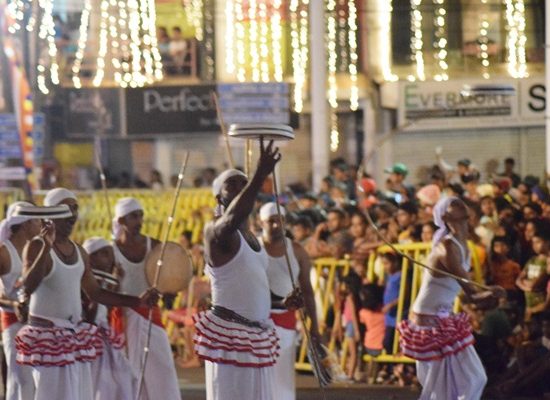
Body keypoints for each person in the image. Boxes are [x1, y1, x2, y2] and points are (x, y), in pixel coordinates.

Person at [16, 188, 158, 400]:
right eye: (66, 208)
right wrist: (46, 247)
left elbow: (96, 293)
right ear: (51, 213)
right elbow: (27, 287)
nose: (72, 214)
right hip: (48, 336)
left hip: (73, 335)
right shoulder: (36, 246)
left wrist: (138, 300)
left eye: (75, 208)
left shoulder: (79, 251)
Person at [193, 140, 291, 400]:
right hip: (230, 339)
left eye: (243, 183)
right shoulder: (216, 231)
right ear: (218, 197)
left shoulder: (255, 241)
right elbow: (233, 217)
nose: (239, 188)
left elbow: (252, 291)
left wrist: (283, 302)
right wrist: (259, 175)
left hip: (257, 337)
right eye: (232, 184)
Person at [398, 196, 504, 400]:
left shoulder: (464, 245)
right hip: (428, 323)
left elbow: (473, 296)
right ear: (447, 217)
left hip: (443, 318)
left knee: (470, 380)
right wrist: (492, 292)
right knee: (446, 388)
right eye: (454, 206)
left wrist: (492, 295)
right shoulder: (447, 248)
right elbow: (472, 292)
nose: (461, 205)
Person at [112, 197, 180, 400]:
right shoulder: (110, 251)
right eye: (134, 216)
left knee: (163, 369)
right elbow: (102, 290)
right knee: (131, 372)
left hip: (151, 316)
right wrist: (115, 279)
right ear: (121, 220)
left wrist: (167, 292)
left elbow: (170, 284)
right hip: (124, 318)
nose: (139, 220)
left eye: (140, 215)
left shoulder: (155, 246)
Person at [259, 202, 321, 399]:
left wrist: (315, 327)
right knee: (259, 379)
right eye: (271, 221)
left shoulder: (297, 251)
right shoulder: (254, 250)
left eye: (279, 220)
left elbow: (308, 291)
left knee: (283, 379)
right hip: (257, 322)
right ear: (261, 223)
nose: (276, 225)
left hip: (285, 322)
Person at [82, 237, 137, 400]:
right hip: (90, 338)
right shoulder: (85, 281)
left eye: (110, 254)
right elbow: (90, 316)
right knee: (101, 384)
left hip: (105, 335)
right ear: (90, 258)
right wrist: (104, 288)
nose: (110, 259)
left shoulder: (105, 279)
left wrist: (116, 282)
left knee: (125, 377)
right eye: (104, 254)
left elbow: (110, 309)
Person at [0, 202, 39, 400]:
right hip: (13, 323)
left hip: (36, 323)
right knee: (21, 380)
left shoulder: (36, 249)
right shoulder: (4, 252)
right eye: (37, 221)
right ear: (26, 224)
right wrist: (14, 304)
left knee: (36, 381)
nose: (41, 225)